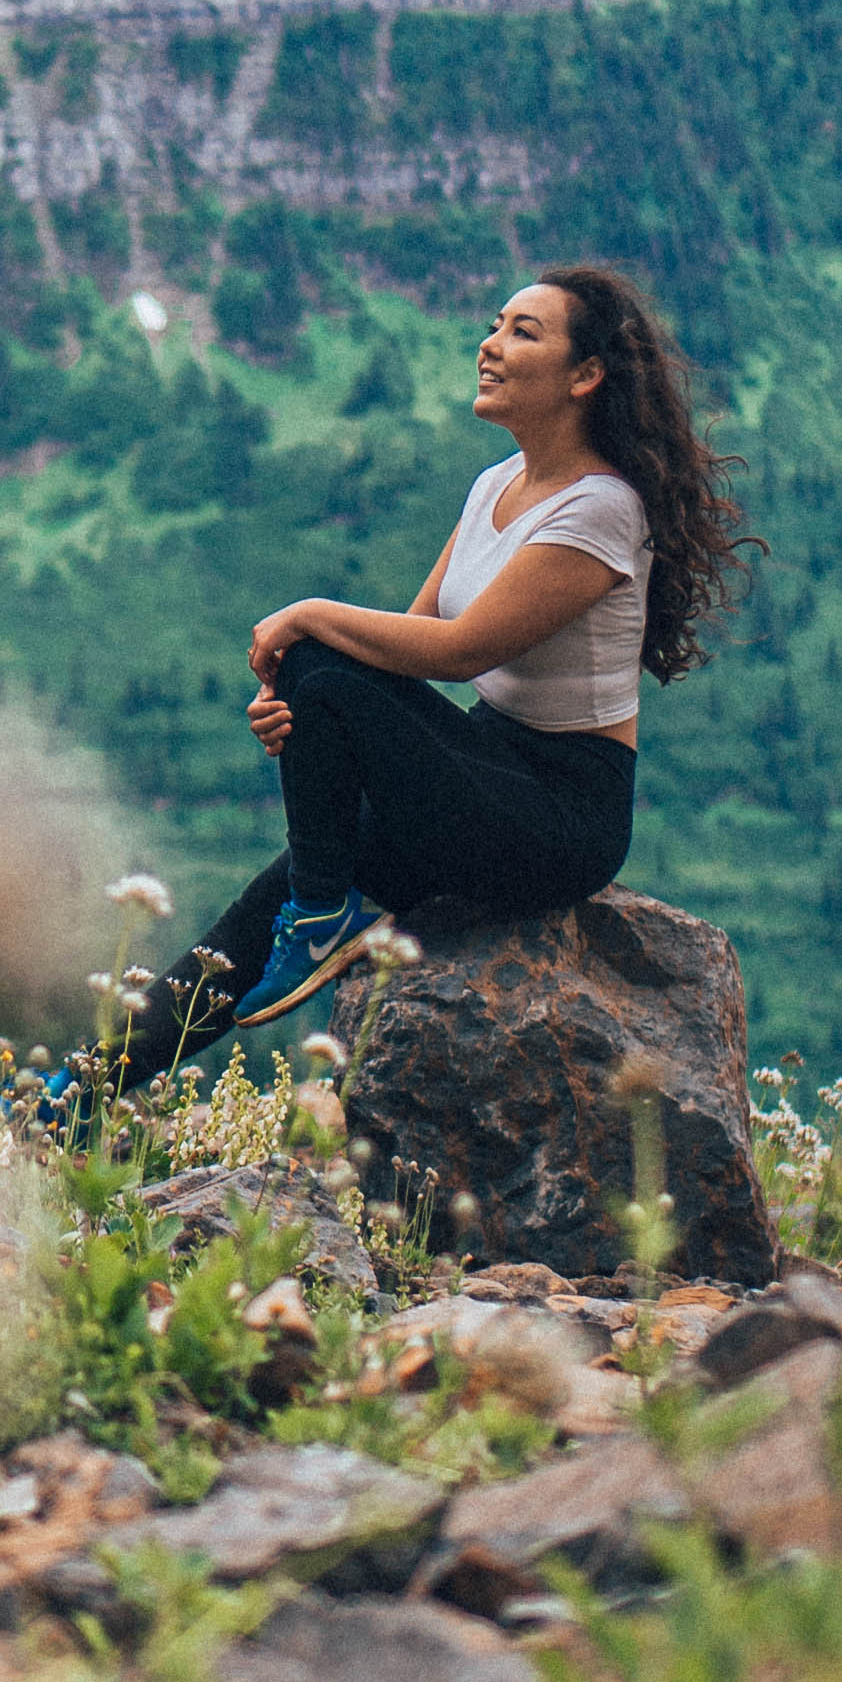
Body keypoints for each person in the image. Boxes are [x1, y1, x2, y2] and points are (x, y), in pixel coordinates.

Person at [51, 259, 755, 1103]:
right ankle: (59, 1102)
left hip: (562, 814)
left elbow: (457, 653)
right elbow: (399, 647)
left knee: (318, 660)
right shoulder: (495, 485)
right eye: (494, 325)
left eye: (522, 333)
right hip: (489, 767)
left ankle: (323, 911)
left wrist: (308, 617)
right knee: (242, 925)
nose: (490, 346)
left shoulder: (602, 508)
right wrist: (301, 715)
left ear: (587, 376)